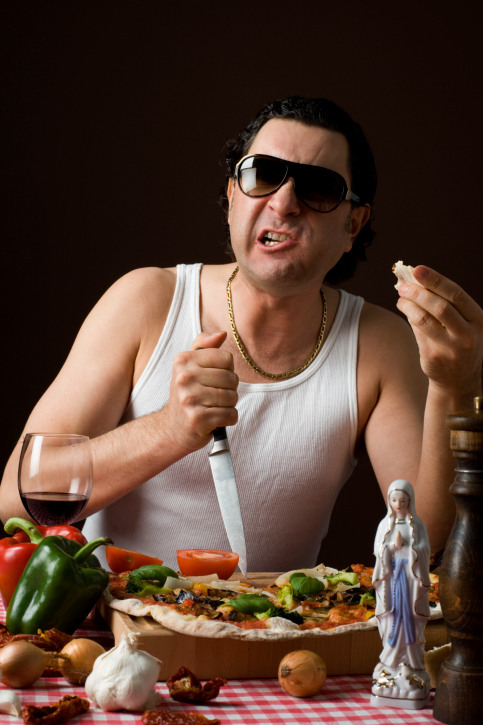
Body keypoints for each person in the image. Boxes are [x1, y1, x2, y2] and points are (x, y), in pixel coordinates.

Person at [1, 96, 482, 571]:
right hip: (114, 618)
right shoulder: (145, 301)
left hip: (273, 621)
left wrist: (453, 387)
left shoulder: (380, 346)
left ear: (352, 224)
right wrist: (169, 429)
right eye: (263, 174)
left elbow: (429, 546)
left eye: (319, 188)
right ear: (232, 197)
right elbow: (15, 499)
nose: (284, 203)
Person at [372, 479, 430, 672]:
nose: (398, 505)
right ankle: (391, 657)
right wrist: (390, 548)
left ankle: (411, 659)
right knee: (392, 615)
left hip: (410, 579)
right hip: (391, 580)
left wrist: (409, 550)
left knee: (409, 616)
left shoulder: (418, 525)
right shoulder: (385, 525)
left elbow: (425, 548)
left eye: (402, 501)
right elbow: (378, 549)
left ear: (409, 501)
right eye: (394, 500)